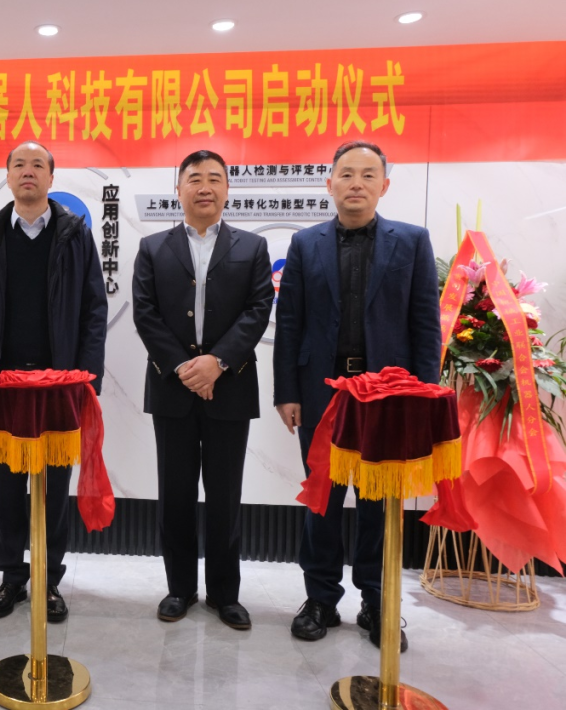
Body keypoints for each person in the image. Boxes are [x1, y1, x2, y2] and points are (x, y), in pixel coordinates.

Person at [273, 140, 441, 650]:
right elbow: (290, 322)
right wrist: (287, 392)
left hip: (387, 397)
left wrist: (422, 395)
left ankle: (377, 599)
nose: (356, 184)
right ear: (330, 183)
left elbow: (425, 324)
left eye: (368, 175)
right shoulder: (305, 243)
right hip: (321, 392)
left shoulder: (411, 241)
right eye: (346, 174)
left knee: (379, 503)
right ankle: (320, 598)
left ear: (384, 185)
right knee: (322, 500)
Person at [0, 141, 107, 622]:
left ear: (51, 178)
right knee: (7, 487)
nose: (28, 172)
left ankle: (49, 578)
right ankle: (11, 578)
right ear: (7, 176)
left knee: (55, 488)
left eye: (38, 165)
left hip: (60, 384)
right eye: (19, 164)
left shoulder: (75, 235)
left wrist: (87, 375)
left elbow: (94, 309)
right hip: (3, 384)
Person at [132, 150, 272, 629]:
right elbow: (145, 313)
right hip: (171, 389)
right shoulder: (153, 247)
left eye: (215, 178)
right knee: (174, 494)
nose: (205, 187)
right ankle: (179, 589)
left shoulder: (253, 247)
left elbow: (258, 309)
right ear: (179, 189)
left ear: (227, 189)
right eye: (194, 178)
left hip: (230, 386)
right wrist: (184, 367)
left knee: (225, 496)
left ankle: (225, 595)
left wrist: (217, 363)